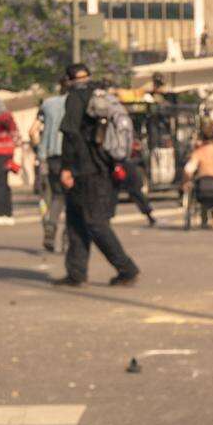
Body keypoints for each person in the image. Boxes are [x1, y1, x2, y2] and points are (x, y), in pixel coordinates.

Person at [45, 62, 139, 288]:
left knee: (95, 222)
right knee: (76, 221)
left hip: (85, 171)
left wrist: (67, 168)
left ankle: (126, 268)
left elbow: (71, 135)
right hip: (100, 168)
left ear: (67, 80)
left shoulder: (75, 98)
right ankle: (76, 272)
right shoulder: (99, 95)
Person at [181, 120, 213, 229]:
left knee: (192, 186)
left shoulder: (199, 152)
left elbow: (188, 170)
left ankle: (205, 217)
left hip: (201, 188)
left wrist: (186, 181)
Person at [36, 87, 68, 252]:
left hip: (52, 155)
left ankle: (50, 231)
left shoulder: (47, 104)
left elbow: (35, 131)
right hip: (70, 155)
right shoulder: (76, 103)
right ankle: (68, 239)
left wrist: (41, 155)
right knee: (73, 199)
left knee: (57, 196)